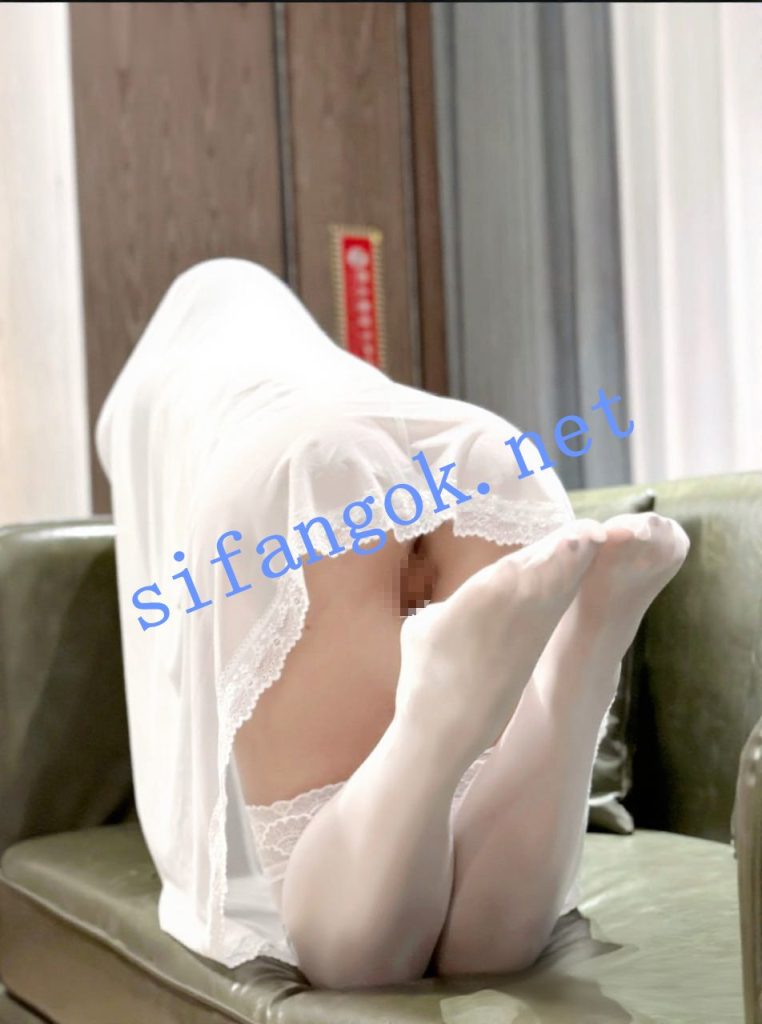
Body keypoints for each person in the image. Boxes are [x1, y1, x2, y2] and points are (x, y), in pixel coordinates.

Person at [95, 258, 689, 989]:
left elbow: (161, 633)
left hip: (299, 472)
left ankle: (432, 719)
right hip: (480, 448)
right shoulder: (335, 369)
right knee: (488, 950)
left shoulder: (149, 400)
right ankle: (582, 662)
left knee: (362, 963)